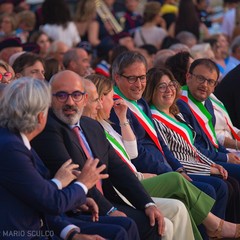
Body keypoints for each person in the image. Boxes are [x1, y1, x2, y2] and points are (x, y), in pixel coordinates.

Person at [84, 73, 240, 240]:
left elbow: (132, 152)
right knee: (178, 180)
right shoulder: (93, 129)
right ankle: (214, 225)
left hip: (136, 177)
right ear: (99, 100)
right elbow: (111, 171)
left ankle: (213, 228)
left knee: (181, 206)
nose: (112, 99)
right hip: (128, 185)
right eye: (109, 96)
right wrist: (141, 175)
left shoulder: (108, 125)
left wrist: (123, 119)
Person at [0, 77, 140, 240]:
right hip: (23, 234)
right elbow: (50, 202)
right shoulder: (11, 148)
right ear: (40, 116)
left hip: (40, 227)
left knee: (123, 228)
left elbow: (38, 194)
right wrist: (83, 184)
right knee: (119, 232)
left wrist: (71, 232)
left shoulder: (14, 140)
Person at [31, 70, 164, 240]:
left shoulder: (92, 125)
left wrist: (147, 203)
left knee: (152, 221)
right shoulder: (49, 128)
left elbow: (119, 169)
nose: (70, 102)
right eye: (62, 96)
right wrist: (110, 211)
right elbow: (75, 176)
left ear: (85, 99)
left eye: (76, 95)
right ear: (49, 99)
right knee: (126, 225)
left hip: (105, 199)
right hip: (79, 208)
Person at [110, 51, 228, 222]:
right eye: (132, 78)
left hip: (167, 169)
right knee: (210, 189)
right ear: (117, 77)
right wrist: (170, 172)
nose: (139, 84)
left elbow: (161, 143)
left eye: (142, 77)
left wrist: (178, 169)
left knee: (219, 186)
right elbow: (138, 152)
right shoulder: (117, 107)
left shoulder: (141, 102)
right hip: (148, 173)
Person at [144, 67, 240, 223]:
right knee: (220, 186)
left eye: (171, 85)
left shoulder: (176, 113)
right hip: (185, 169)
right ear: (152, 90)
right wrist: (208, 168)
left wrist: (214, 164)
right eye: (162, 86)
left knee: (230, 183)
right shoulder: (155, 119)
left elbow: (192, 148)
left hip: (200, 162)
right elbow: (174, 157)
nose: (168, 90)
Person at [177, 58, 240, 186]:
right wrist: (226, 157)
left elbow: (212, 140)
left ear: (215, 85)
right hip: (197, 161)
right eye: (201, 78)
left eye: (210, 81)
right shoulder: (180, 104)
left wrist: (227, 154)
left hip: (213, 155)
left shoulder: (208, 102)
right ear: (188, 77)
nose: (205, 85)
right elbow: (193, 147)